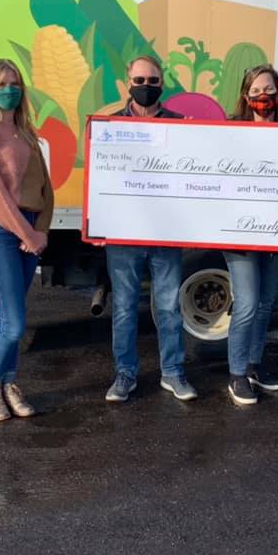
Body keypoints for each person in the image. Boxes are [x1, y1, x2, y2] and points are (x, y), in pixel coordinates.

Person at [100, 56, 197, 403]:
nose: (146, 86)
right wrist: (98, 223)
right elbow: (101, 180)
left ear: (162, 83)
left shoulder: (179, 126)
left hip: (165, 233)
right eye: (139, 79)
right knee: (125, 308)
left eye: (153, 80)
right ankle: (125, 374)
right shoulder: (108, 127)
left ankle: (173, 372)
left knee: (169, 307)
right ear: (127, 82)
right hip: (123, 236)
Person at [0, 58, 54, 422]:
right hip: (2, 231)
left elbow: (45, 187)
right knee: (15, 322)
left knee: (11, 315)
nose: (9, 90)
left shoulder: (25, 131)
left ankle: (10, 384)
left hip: (28, 231)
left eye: (15, 83)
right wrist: (26, 232)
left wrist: (42, 229)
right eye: (1, 84)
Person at [221, 65, 278, 405]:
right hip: (240, 234)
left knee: (264, 304)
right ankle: (236, 375)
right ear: (246, 97)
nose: (264, 97)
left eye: (270, 90)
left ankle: (253, 365)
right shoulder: (230, 133)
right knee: (247, 303)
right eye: (257, 91)